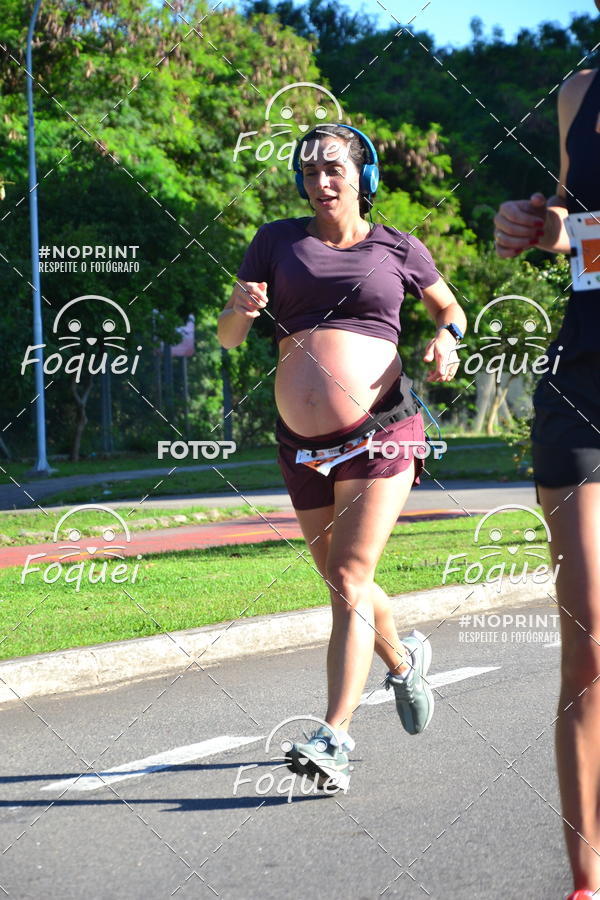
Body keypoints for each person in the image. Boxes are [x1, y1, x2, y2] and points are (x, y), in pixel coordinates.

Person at [218, 123, 466, 791]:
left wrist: (447, 342)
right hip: (301, 444)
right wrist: (238, 307)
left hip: (382, 431)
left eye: (333, 168)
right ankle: (405, 662)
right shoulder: (275, 241)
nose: (319, 181)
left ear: (363, 175)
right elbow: (230, 335)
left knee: (350, 581)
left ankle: (336, 739)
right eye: (307, 171)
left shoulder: (398, 247)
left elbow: (450, 308)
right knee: (343, 585)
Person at [494, 16, 600, 897]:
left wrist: (579, 235)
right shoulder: (579, 92)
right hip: (580, 388)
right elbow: (572, 211)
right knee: (589, 640)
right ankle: (586, 883)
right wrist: (535, 219)